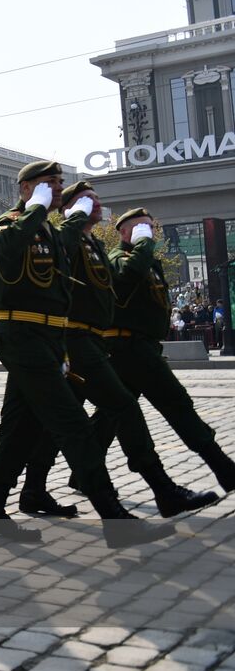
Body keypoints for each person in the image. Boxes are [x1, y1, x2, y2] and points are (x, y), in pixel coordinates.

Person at [0, 160, 170, 547]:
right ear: (28, 188)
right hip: (20, 331)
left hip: (47, 336)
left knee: (19, 426)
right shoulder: (10, 223)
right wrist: (34, 208)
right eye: (50, 183)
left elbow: (63, 290)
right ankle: (115, 519)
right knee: (73, 424)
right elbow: (10, 248)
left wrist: (62, 345)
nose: (59, 189)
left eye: (60, 183)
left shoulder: (48, 229)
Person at [19, 184, 217, 518]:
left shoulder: (91, 244)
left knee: (77, 419)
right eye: (86, 201)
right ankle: (158, 491)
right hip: (75, 345)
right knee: (99, 413)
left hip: (92, 343)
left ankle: (34, 489)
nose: (95, 204)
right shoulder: (65, 241)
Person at [108, 207, 235, 492]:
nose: (147, 232)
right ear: (124, 232)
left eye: (150, 227)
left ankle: (81, 474)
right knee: (177, 404)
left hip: (142, 347)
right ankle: (223, 468)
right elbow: (126, 277)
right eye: (140, 227)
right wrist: (142, 247)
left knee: (112, 416)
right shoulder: (119, 257)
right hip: (130, 348)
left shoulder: (146, 260)